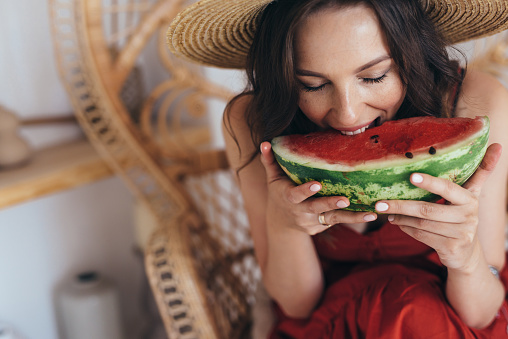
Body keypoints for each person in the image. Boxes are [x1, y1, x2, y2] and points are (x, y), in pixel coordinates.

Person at [167, 0, 508, 337]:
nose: (347, 114)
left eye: (374, 76)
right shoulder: (251, 121)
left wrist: (465, 258)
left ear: (412, 53)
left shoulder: (474, 102)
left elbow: (480, 314)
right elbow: (298, 305)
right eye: (312, 85)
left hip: (448, 319)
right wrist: (285, 224)